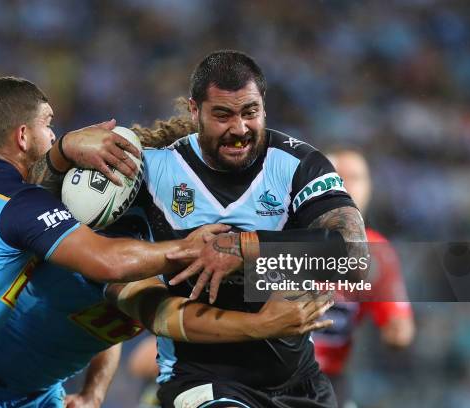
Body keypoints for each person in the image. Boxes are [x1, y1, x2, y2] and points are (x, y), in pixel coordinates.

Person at [0, 76, 233, 406]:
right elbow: (111, 269)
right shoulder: (64, 218)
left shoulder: (161, 249)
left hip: (36, 394)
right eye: (48, 126)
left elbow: (98, 319)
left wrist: (94, 390)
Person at [131, 50, 368, 408]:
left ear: (263, 108)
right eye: (223, 115)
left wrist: (245, 247)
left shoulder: (297, 164)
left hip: (298, 382)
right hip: (202, 379)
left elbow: (353, 253)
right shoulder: (153, 171)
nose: (239, 129)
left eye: (250, 113)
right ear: (195, 111)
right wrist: (63, 156)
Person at [313, 148, 415, 408]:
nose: (347, 186)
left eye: (356, 177)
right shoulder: (281, 234)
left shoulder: (377, 251)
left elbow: (398, 327)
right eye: (336, 177)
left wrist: (397, 329)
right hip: (269, 377)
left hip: (328, 383)